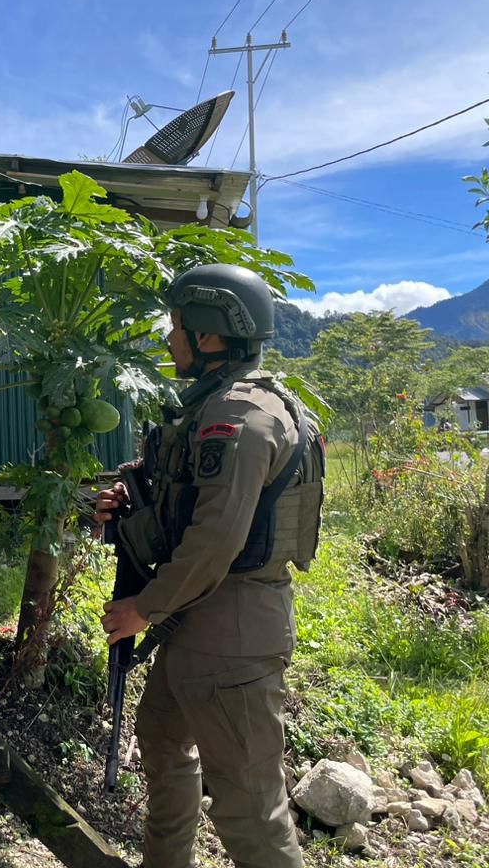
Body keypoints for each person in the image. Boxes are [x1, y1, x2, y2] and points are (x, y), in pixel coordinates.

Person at [94, 263, 322, 868]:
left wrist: (143, 608)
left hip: (231, 633)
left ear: (211, 336)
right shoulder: (211, 407)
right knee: (164, 744)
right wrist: (135, 502)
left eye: (177, 327)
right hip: (195, 627)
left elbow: (218, 536)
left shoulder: (241, 417)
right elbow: (191, 503)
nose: (170, 340)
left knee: (250, 808)